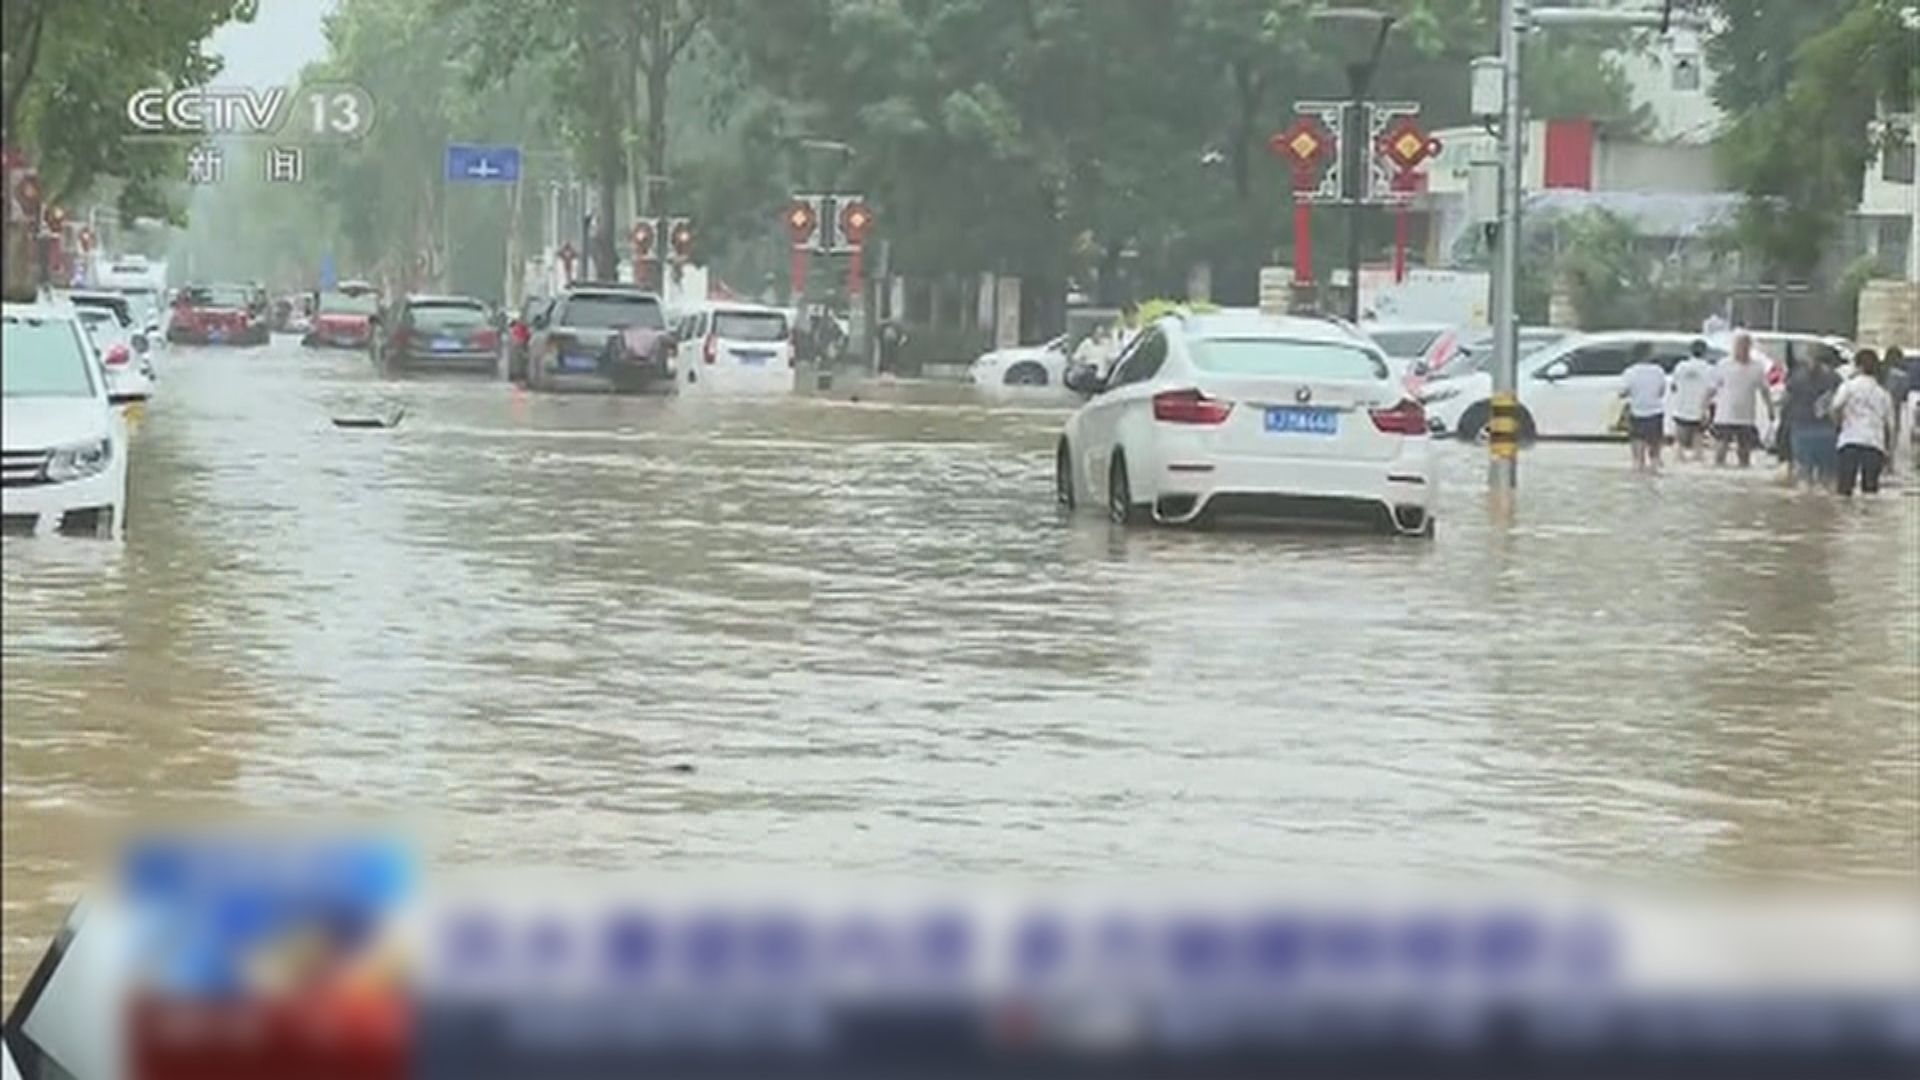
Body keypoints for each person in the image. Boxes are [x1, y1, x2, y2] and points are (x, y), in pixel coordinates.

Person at [1831, 349, 1895, 497]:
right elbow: (1890, 426)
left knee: (1844, 491)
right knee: (1870, 492)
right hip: (1874, 444)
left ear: (1858, 366)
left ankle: (1846, 519)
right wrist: (1889, 453)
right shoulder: (1883, 393)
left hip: (1849, 441)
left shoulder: (1848, 387)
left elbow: (1835, 408)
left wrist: (1838, 426)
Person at [1707, 331, 1774, 468]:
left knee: (1744, 452)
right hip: (1725, 415)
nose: (1741, 349)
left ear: (1749, 348)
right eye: (1739, 346)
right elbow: (1711, 388)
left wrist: (1770, 409)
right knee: (1721, 448)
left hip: (1746, 416)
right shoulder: (1724, 365)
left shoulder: (1757, 367)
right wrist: (1703, 407)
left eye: (1745, 346)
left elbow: (1764, 390)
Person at [1779, 346, 1840, 488]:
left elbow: (1784, 402)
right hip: (1827, 432)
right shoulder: (1834, 378)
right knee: (1828, 478)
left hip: (1801, 431)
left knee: (1804, 476)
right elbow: (1839, 404)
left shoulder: (1796, 377)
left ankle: (1805, 506)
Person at [1618, 349, 1668, 473]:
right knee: (1655, 456)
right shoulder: (1658, 371)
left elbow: (1622, 393)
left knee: (1637, 460)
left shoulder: (1630, 372)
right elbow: (1662, 392)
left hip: (1637, 413)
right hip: (1655, 412)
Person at [1669, 339, 1715, 462]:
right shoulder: (1709, 369)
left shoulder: (1680, 367)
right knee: (1698, 444)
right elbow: (1712, 390)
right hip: (1700, 411)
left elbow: (1673, 387)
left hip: (1681, 409)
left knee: (1679, 443)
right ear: (1705, 352)